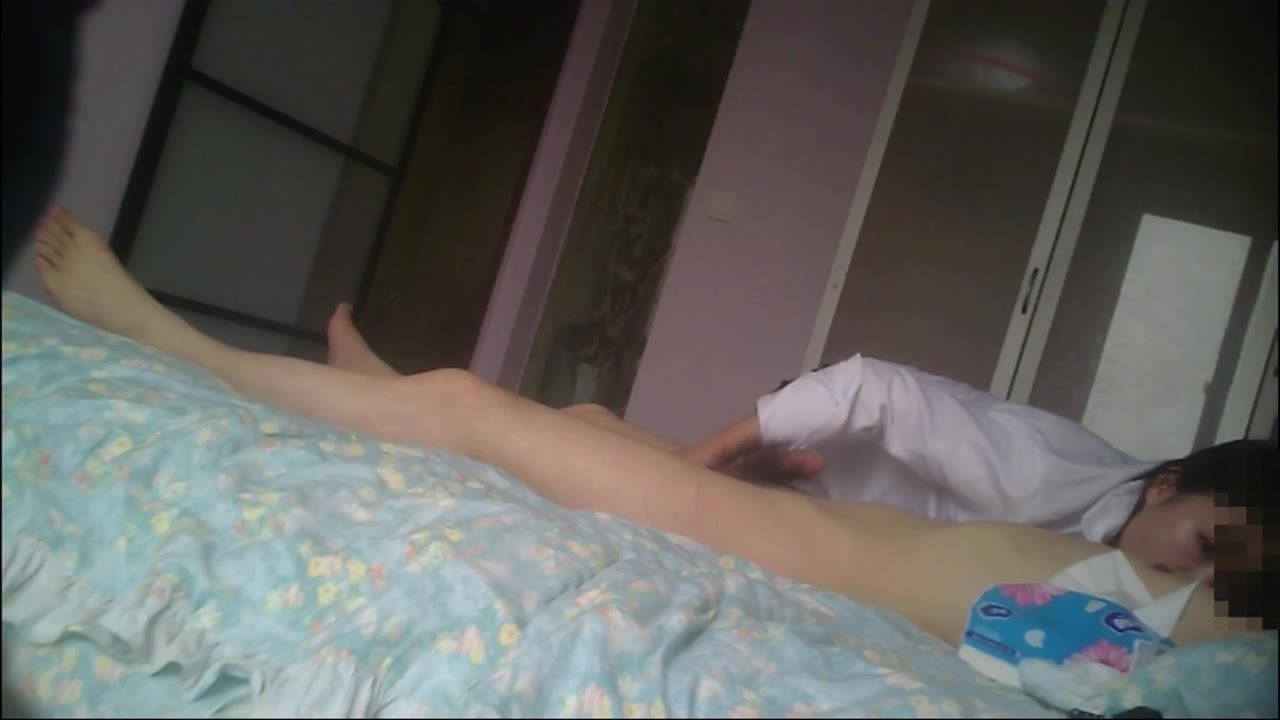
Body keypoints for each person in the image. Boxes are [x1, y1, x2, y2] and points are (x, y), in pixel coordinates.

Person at [22, 208, 1277, 656]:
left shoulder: (1186, 637)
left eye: (1235, 583)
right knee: (575, 419)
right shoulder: (1081, 493)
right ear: (1165, 483)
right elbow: (880, 394)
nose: (1197, 578)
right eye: (1205, 545)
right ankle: (383, 393)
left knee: (471, 410)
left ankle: (167, 341)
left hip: (795, 545)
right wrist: (707, 464)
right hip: (804, 522)